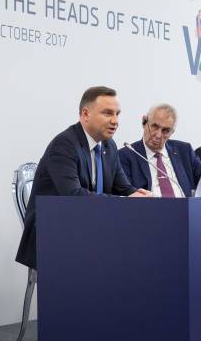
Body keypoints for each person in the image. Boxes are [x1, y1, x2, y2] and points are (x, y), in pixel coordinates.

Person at [16, 86, 150, 269]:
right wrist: (125, 201)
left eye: (118, 114)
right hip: (53, 233)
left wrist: (140, 196)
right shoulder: (64, 145)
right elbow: (74, 197)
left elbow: (124, 189)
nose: (115, 121)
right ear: (85, 114)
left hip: (89, 228)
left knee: (139, 250)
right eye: (107, 113)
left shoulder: (108, 146)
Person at [118, 104, 201, 197]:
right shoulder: (126, 155)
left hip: (186, 211)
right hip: (150, 211)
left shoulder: (184, 150)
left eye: (165, 131)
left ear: (172, 132)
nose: (158, 135)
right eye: (154, 126)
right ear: (144, 122)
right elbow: (126, 191)